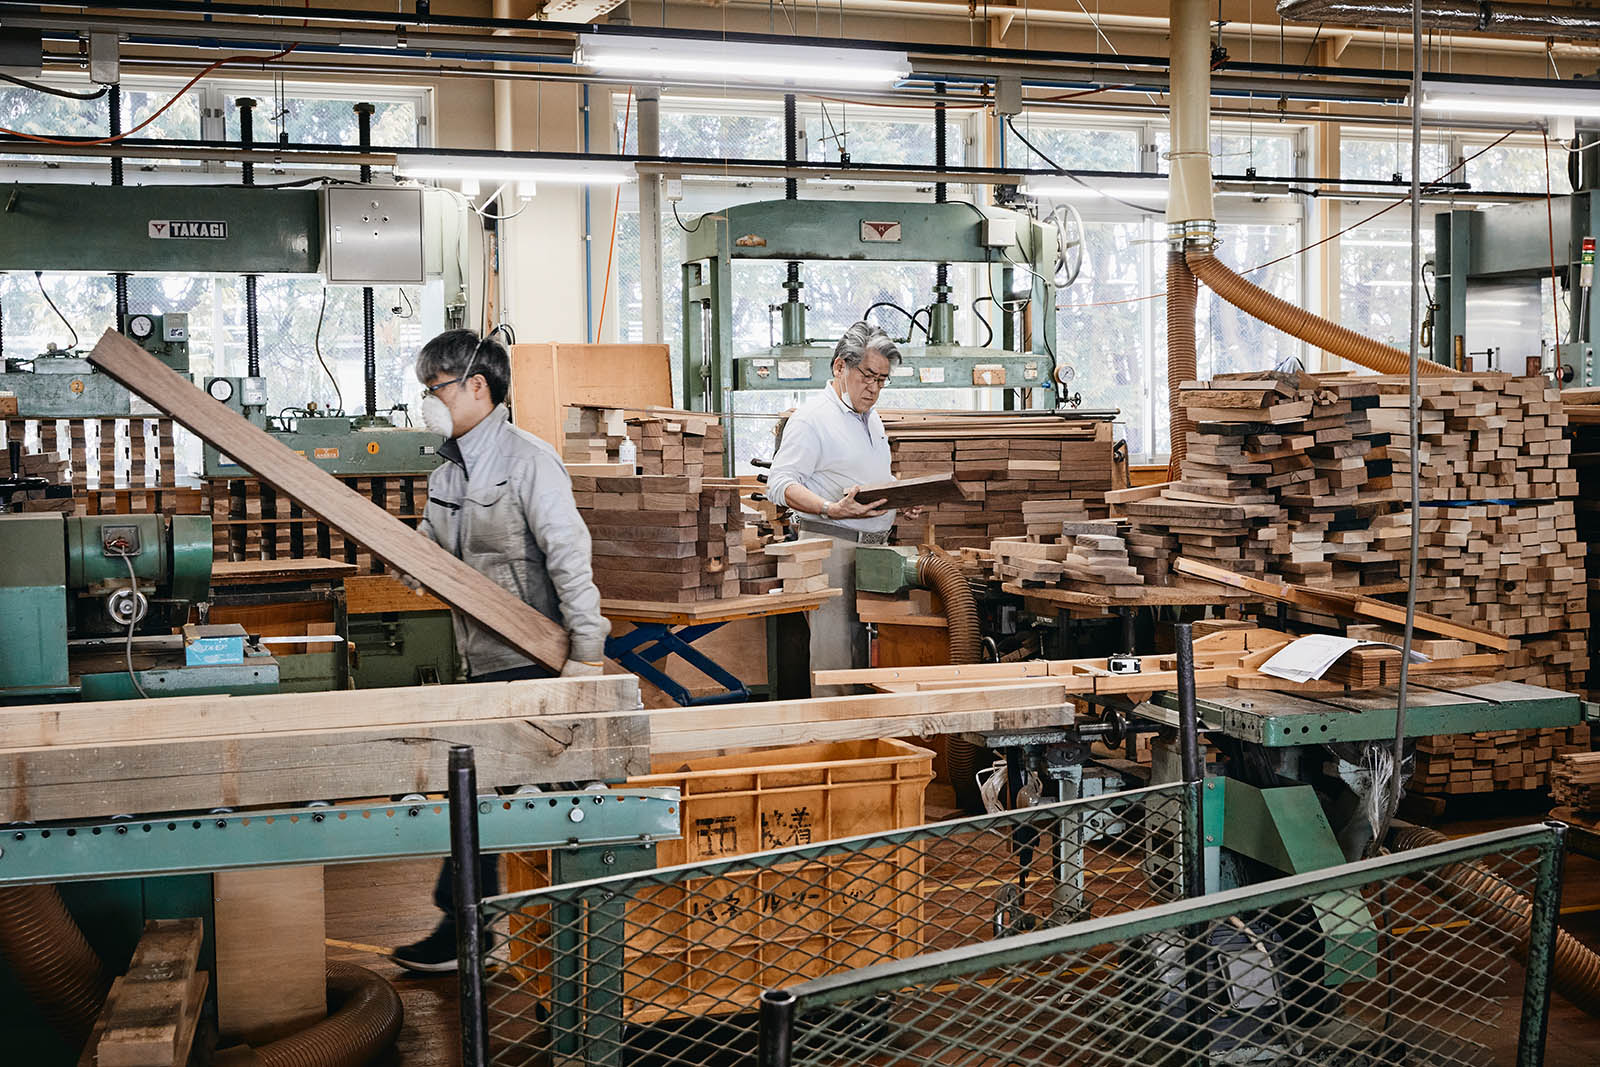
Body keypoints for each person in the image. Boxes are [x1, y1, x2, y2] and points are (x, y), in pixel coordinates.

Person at [391, 328, 610, 974]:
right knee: (480, 797)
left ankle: (496, 930)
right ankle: (476, 929)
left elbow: (570, 557)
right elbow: (431, 556)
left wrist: (587, 655)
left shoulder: (529, 461)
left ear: (477, 388)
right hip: (480, 662)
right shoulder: (445, 474)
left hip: (535, 661)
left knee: (547, 794)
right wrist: (397, 553)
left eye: (436, 389)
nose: (428, 401)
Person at [765, 321, 921, 695]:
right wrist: (830, 508)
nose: (874, 388)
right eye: (868, 375)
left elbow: (868, 476)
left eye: (882, 380)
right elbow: (779, 484)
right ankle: (833, 746)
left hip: (875, 550)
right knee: (836, 661)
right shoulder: (812, 418)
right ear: (840, 367)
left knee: (871, 659)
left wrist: (899, 499)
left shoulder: (872, 419)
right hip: (832, 550)